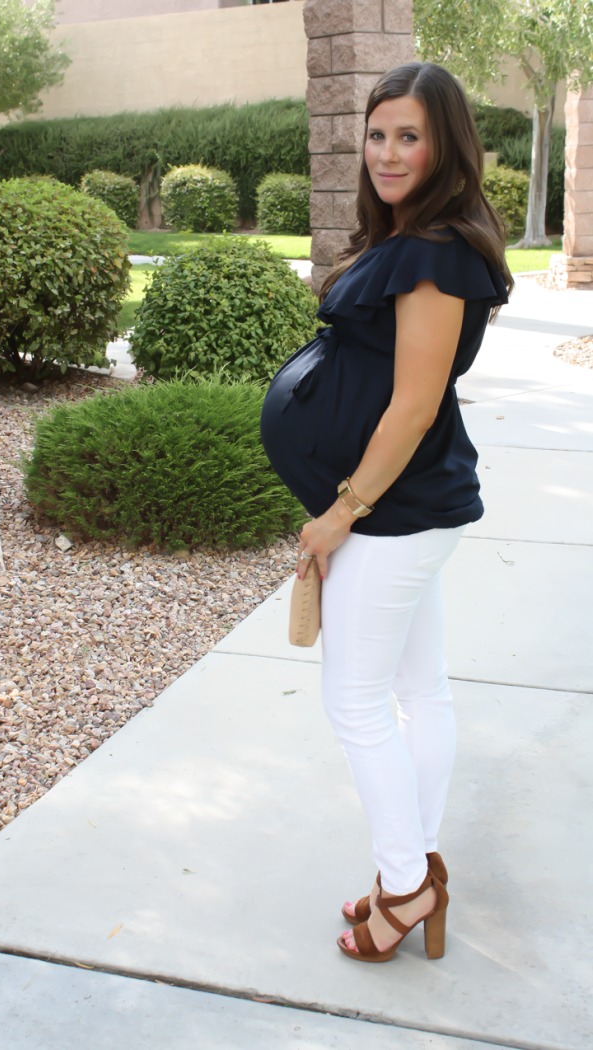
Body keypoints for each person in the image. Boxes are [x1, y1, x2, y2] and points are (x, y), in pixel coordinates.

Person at [260, 61, 512, 963]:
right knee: (416, 693)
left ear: (445, 143)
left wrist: (341, 512)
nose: (386, 153)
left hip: (391, 513)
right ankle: (414, 868)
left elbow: (413, 402)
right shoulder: (413, 238)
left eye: (408, 136)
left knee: (356, 704)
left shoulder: (437, 254)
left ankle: (403, 888)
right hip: (406, 510)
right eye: (376, 134)